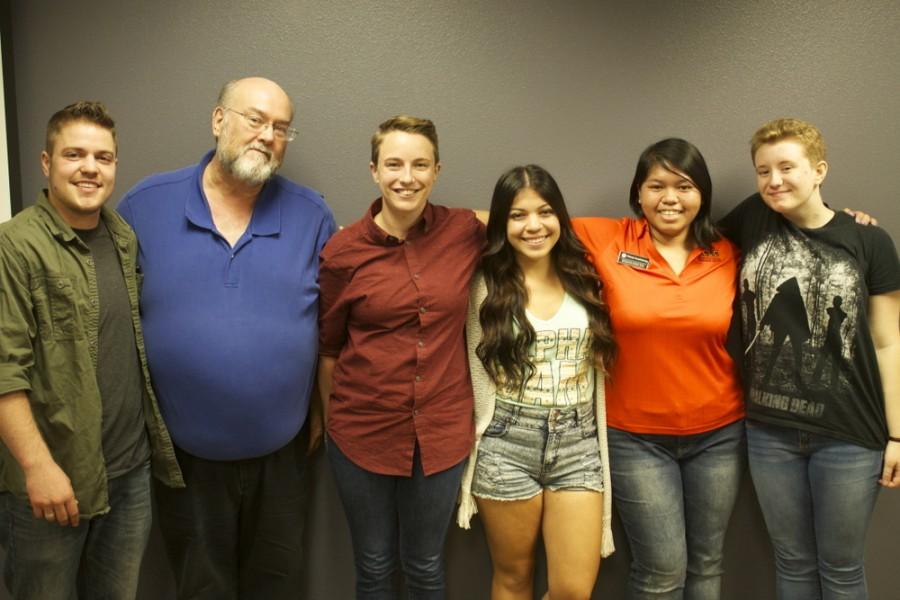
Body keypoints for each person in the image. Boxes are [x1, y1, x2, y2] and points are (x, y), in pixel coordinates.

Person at [118, 77, 336, 599]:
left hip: (283, 456)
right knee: (202, 589)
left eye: (281, 127)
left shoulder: (313, 216)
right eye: (255, 119)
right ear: (219, 120)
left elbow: (336, 323)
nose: (267, 135)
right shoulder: (145, 206)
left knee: (277, 589)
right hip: (185, 459)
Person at [0, 101, 183, 599]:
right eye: (74, 154)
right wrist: (38, 468)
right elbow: (4, 372)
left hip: (129, 474)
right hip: (54, 480)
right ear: (46, 163)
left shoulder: (122, 236)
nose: (89, 168)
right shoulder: (14, 246)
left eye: (103, 157)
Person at [720, 117, 900, 599]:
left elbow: (888, 343)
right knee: (793, 563)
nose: (773, 181)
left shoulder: (870, 241)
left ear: (819, 170)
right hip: (768, 432)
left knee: (840, 568)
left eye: (786, 167)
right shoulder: (751, 218)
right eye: (763, 171)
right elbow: (679, 231)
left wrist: (898, 434)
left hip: (848, 434)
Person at [317, 115, 484, 599]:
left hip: (442, 431)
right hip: (361, 433)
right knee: (373, 565)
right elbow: (329, 348)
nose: (405, 177)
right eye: (393, 164)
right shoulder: (344, 251)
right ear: (373, 170)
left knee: (425, 564)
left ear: (436, 171)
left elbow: (520, 215)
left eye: (419, 165)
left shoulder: (462, 230)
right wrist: (332, 426)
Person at [572, 139, 745, 600]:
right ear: (639, 193)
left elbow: (801, 220)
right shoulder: (608, 238)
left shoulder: (729, 249)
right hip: (635, 438)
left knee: (708, 566)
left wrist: (847, 220)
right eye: (657, 185)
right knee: (661, 572)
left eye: (684, 185)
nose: (670, 197)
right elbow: (526, 217)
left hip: (720, 433)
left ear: (702, 194)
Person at [457, 165, 616, 599]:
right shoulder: (484, 282)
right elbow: (454, 220)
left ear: (560, 217)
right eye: (517, 215)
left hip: (579, 442)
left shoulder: (587, 272)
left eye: (544, 212)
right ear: (501, 222)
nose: (533, 226)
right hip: (507, 440)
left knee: (572, 590)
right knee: (513, 579)